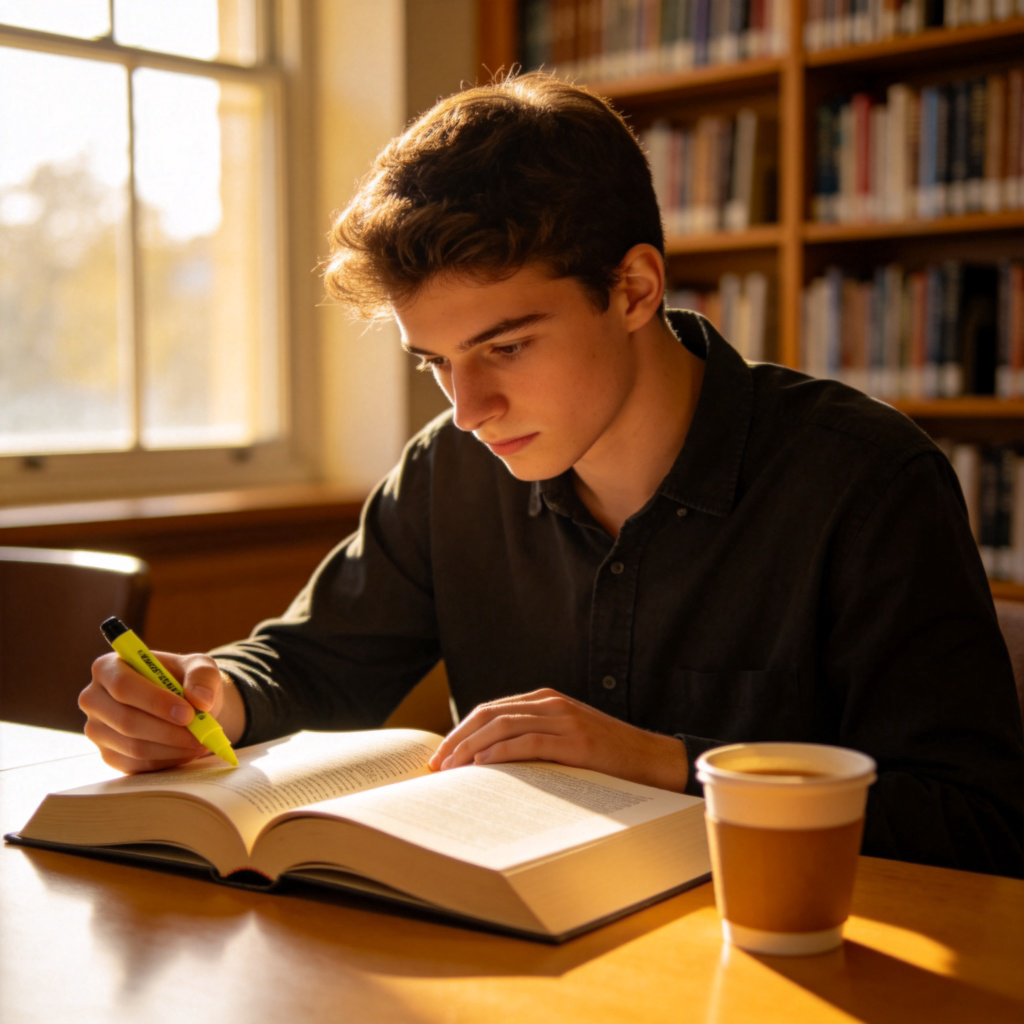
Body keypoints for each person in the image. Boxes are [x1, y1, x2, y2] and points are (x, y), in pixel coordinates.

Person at [80, 71, 1024, 878]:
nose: (468, 406)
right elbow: (317, 658)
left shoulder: (866, 481)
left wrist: (664, 762)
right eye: (435, 361)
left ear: (634, 289)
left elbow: (975, 825)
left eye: (507, 345)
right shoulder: (451, 467)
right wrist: (211, 692)